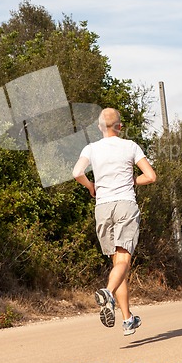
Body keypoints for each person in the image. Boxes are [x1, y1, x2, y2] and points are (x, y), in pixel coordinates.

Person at [72, 108, 156, 336]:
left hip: (103, 208)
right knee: (124, 261)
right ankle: (108, 292)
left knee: (118, 265)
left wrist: (91, 187)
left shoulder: (91, 148)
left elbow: (77, 172)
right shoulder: (130, 146)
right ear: (119, 126)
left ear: (99, 127)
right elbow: (151, 176)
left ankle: (127, 319)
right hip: (125, 205)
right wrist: (133, 181)